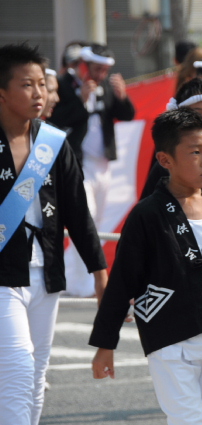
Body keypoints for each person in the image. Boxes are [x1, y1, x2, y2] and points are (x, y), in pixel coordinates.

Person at [90, 108, 202, 425]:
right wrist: (105, 344)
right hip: (170, 336)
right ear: (165, 160)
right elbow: (122, 281)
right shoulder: (146, 214)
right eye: (195, 152)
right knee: (187, 419)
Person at [0, 43, 107, 425]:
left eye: (41, 85)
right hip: (3, 276)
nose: (39, 93)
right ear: (2, 92)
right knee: (17, 368)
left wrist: (100, 274)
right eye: (27, 85)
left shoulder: (52, 143)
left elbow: (78, 213)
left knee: (35, 375)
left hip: (46, 273)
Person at [49, 43, 135, 298]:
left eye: (105, 70)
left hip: (103, 164)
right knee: (85, 219)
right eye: (97, 69)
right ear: (83, 66)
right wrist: (81, 101)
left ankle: (76, 276)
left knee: (96, 222)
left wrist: (122, 96)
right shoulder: (63, 85)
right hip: (78, 163)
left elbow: (126, 115)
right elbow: (55, 119)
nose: (100, 75)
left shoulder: (106, 85)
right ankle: (84, 282)